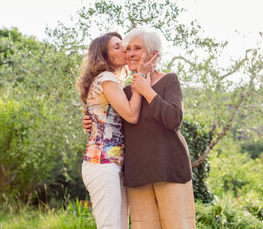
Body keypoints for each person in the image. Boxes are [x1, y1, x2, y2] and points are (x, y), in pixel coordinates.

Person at [83, 28, 196, 229]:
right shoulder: (125, 91)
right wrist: (88, 121)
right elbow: (110, 119)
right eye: (128, 49)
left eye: (137, 48)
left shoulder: (169, 80)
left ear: (153, 54)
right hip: (137, 176)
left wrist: (146, 89)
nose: (131, 53)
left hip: (169, 168)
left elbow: (174, 119)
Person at [77, 32, 158, 229]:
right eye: (117, 47)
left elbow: (100, 116)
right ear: (105, 56)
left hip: (111, 164)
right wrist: (140, 76)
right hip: (102, 164)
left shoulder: (110, 81)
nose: (125, 50)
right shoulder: (106, 78)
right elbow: (131, 115)